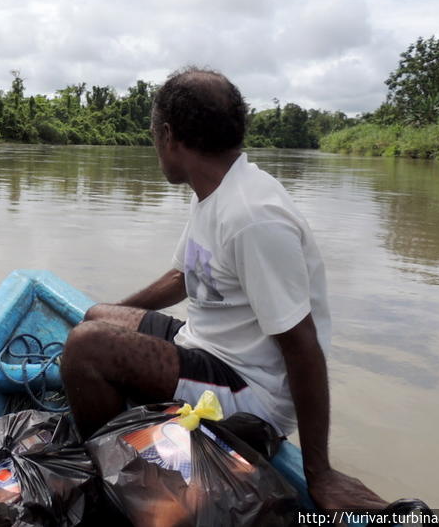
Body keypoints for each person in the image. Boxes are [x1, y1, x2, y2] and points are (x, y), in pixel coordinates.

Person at [60, 67, 385, 510]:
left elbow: (303, 346)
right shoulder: (214, 191)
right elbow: (181, 277)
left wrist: (320, 474)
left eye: (153, 134)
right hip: (207, 348)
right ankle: (141, 437)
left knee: (86, 348)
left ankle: (123, 493)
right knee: (96, 319)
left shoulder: (253, 217)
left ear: (169, 136)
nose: (155, 145)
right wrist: (109, 310)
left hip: (250, 391)